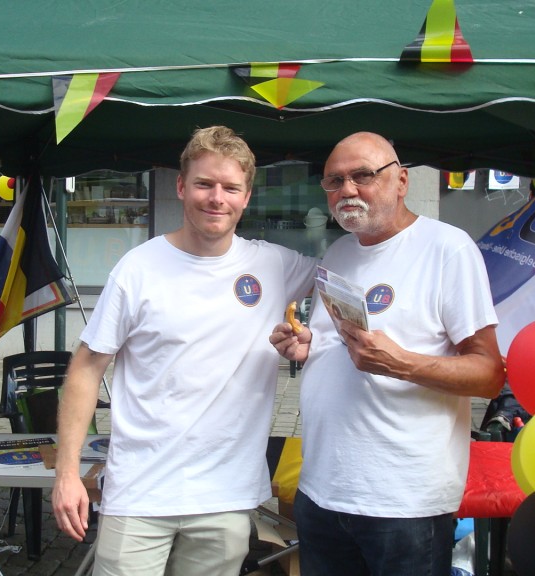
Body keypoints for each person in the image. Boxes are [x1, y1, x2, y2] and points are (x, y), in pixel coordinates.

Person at [52, 125, 317, 575]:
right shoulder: (139, 269)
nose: (217, 198)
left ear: (246, 195)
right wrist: (67, 474)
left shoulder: (274, 265)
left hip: (226, 495)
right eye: (204, 184)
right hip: (139, 491)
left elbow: (349, 288)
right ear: (181, 187)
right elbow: (85, 368)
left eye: (230, 187)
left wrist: (311, 338)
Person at [270, 132, 504, 576]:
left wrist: (402, 364)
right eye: (334, 181)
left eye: (363, 175)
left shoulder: (447, 249)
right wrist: (308, 345)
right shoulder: (338, 252)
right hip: (322, 490)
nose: (348, 190)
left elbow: (490, 373)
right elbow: (340, 343)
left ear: (401, 181)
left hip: (403, 503)